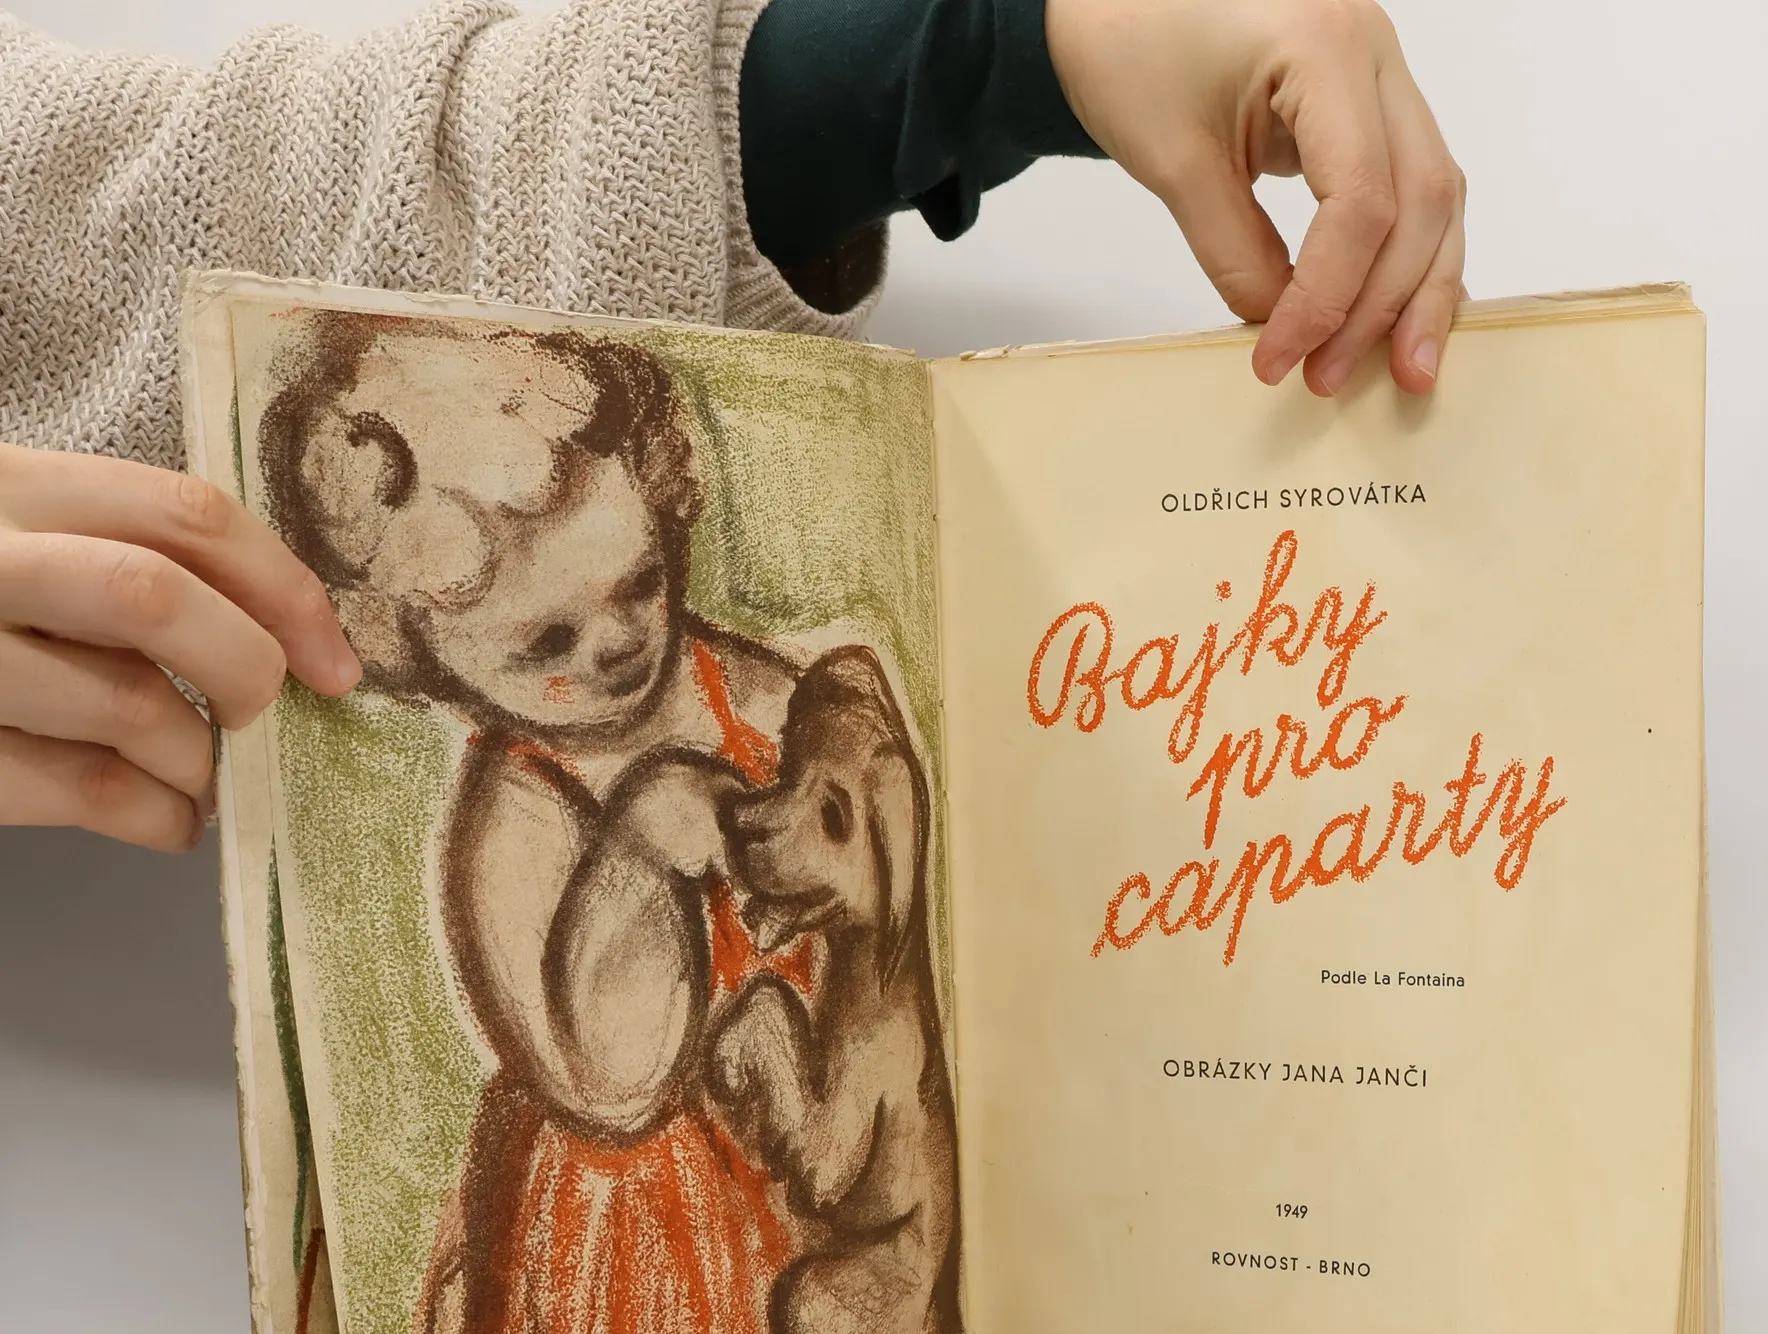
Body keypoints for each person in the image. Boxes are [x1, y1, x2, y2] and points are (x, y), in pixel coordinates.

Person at [0, 0, 1465, 855]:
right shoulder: (511, 813)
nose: (615, 647)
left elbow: (190, 214)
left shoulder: (745, 677)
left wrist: (1000, 47)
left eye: (638, 583)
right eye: (543, 636)